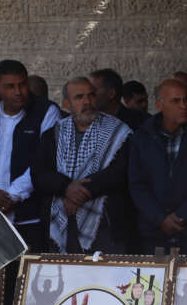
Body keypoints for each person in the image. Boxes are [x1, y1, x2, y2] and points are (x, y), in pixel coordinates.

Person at [0, 59, 61, 252]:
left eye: (22, 84)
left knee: (26, 275)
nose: (18, 92)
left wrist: (13, 195)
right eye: (10, 86)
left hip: (30, 215)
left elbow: (44, 160)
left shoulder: (47, 111)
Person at [32, 77, 132, 253]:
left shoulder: (119, 132)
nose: (87, 102)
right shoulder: (53, 134)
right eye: (79, 97)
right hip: (63, 221)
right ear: (66, 103)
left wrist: (80, 193)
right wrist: (66, 188)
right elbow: (40, 174)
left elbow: (119, 173)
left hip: (104, 224)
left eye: (91, 95)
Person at [128, 78, 187, 254]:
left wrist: (182, 216)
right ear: (159, 105)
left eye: (186, 100)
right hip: (154, 232)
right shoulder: (141, 137)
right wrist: (160, 218)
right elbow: (137, 184)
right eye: (175, 101)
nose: (183, 105)